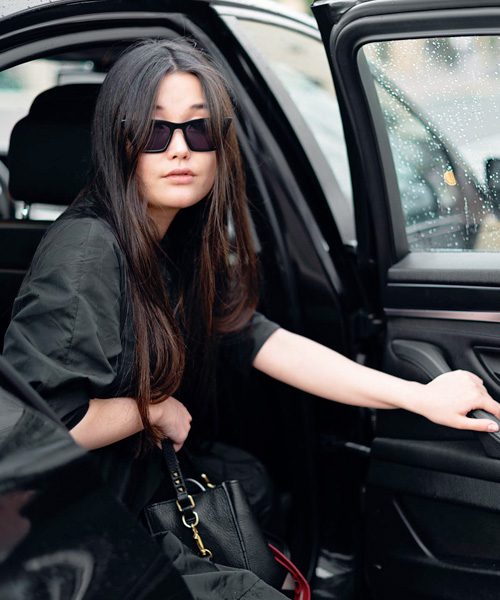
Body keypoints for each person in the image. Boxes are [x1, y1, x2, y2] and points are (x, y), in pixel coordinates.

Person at [3, 38, 500, 597]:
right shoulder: (89, 248)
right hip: (91, 528)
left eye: (199, 129)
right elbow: (48, 425)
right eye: (153, 130)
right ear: (119, 141)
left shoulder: (175, 241)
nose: (179, 150)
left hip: (144, 490)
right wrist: (153, 410)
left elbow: (264, 340)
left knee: (252, 483)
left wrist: (418, 396)